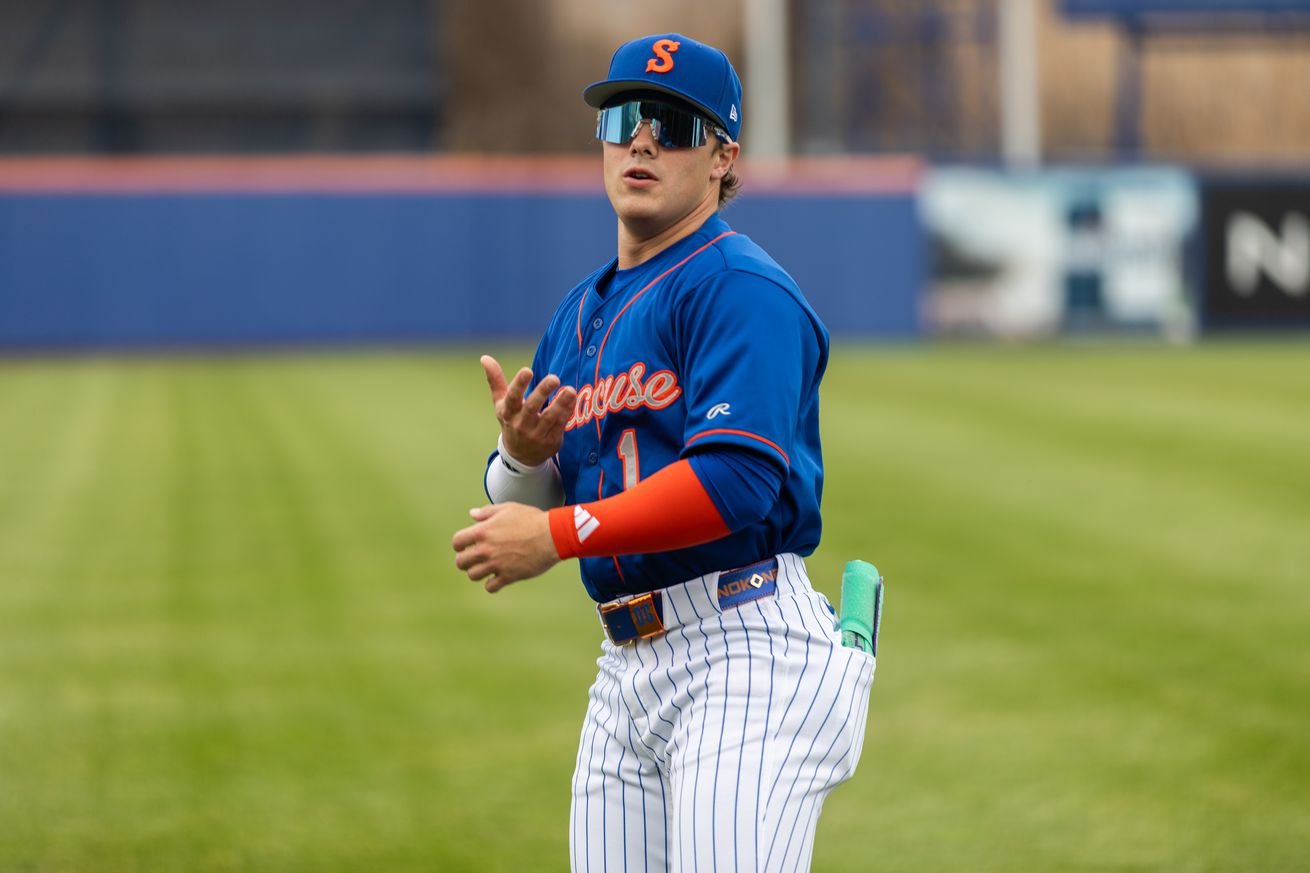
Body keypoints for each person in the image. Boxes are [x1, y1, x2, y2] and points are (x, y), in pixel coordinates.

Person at [452, 33, 876, 873]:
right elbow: (525, 499)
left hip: (747, 648)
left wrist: (561, 532)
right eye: (624, 117)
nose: (641, 138)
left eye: (673, 124)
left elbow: (737, 480)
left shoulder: (740, 288)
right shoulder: (578, 314)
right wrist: (522, 456)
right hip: (627, 662)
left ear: (723, 157)